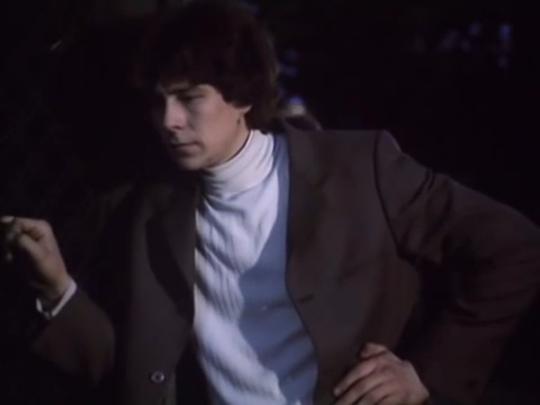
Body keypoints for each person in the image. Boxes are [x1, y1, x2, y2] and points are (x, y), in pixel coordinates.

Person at [1, 1, 540, 404]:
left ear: (241, 96)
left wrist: (425, 373)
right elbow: (134, 374)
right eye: (159, 101)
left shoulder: (360, 168)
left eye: (189, 98)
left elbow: (515, 247)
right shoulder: (147, 211)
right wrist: (56, 288)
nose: (169, 121)